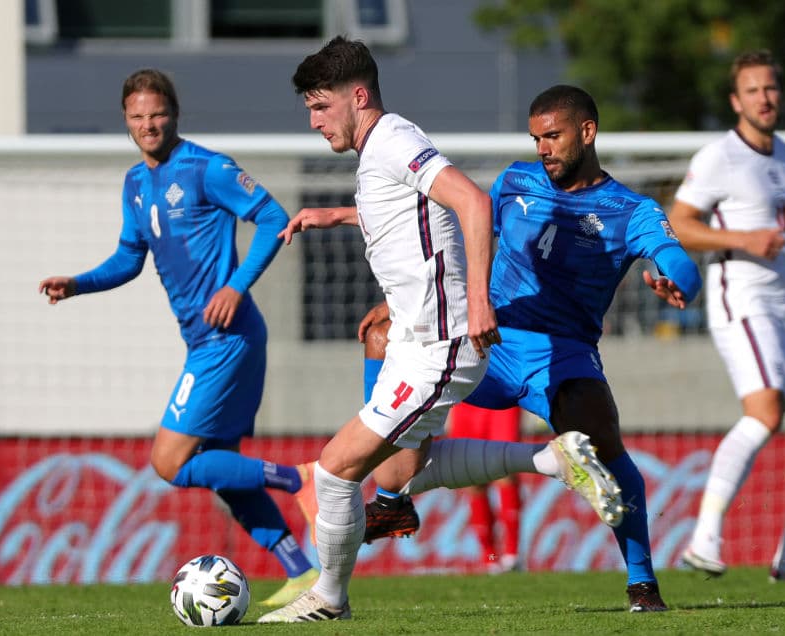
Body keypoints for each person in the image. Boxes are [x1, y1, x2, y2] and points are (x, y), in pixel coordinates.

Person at [259, 38, 624, 623]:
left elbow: (472, 203)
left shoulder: (393, 140)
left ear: (359, 97)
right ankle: (552, 460)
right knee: (399, 473)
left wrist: (478, 303)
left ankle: (328, 597)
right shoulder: (379, 151)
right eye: (310, 109)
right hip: (416, 342)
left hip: (440, 344)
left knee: (333, 470)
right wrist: (341, 216)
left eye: (321, 107)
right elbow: (413, 215)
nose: (314, 121)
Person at [363, 84, 704, 612]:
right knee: (382, 337)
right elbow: (468, 240)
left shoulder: (629, 210)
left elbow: (679, 261)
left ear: (587, 132)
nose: (542, 148)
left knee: (602, 443)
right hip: (488, 339)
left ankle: (642, 583)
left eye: (552, 136)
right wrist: (408, 301)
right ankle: (388, 497)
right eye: (535, 138)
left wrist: (677, 280)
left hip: (562, 354)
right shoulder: (515, 181)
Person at [37, 68, 318, 607]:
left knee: (169, 461)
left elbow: (273, 217)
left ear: (175, 114)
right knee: (221, 467)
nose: (149, 125)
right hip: (204, 342)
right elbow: (129, 258)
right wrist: (78, 284)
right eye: (138, 116)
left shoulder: (207, 168)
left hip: (227, 339)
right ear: (126, 120)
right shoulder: (134, 184)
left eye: (158, 114)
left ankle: (302, 479)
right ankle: (301, 573)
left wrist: (236, 286)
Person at [669, 50, 785, 584]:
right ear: (735, 101)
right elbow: (680, 223)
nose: (764, 99)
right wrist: (744, 239)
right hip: (742, 303)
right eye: (752, 90)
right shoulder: (718, 157)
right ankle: (703, 538)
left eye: (770, 88)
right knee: (765, 414)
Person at [448, 402, 525, 573]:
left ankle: (512, 555)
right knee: (473, 478)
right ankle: (490, 558)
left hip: (501, 398)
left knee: (504, 467)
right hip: (465, 401)